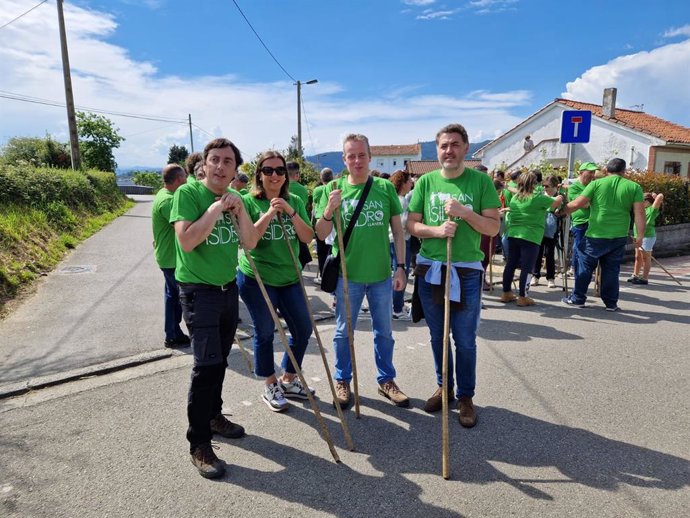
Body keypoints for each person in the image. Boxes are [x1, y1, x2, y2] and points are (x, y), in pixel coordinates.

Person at [170, 137, 259, 479]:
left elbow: (249, 242)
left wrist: (239, 210)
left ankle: (213, 415)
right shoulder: (189, 194)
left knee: (220, 360)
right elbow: (188, 240)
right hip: (198, 293)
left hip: (227, 290)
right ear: (204, 164)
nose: (221, 166)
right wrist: (215, 209)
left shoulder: (235, 199)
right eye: (215, 160)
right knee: (206, 367)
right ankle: (199, 444)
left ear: (236, 169)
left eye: (228, 162)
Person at [407, 123, 501, 427]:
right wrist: (436, 231)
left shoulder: (481, 182)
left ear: (466, 148)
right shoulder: (426, 182)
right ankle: (443, 388)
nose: (449, 150)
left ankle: (465, 396)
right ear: (438, 149)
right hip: (431, 268)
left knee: (465, 339)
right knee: (438, 336)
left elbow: (493, 228)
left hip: (467, 271)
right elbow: (412, 225)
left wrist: (465, 214)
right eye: (444, 145)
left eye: (455, 145)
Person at [315, 134, 409, 408]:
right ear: (344, 159)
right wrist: (330, 210)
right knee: (344, 332)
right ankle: (342, 381)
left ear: (370, 157)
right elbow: (321, 235)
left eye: (361, 155)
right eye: (351, 155)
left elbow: (398, 231)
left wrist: (401, 267)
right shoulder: (332, 188)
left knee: (384, 333)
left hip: (380, 275)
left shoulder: (383, 188)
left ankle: (386, 380)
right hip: (347, 276)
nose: (357, 160)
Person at [237, 151, 315, 412]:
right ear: (259, 174)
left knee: (303, 328)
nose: (274, 175)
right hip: (257, 278)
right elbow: (250, 241)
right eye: (268, 170)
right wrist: (270, 213)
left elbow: (307, 237)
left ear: (286, 174)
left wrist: (291, 211)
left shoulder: (294, 200)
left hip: (289, 276)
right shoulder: (248, 202)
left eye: (279, 170)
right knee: (265, 329)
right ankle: (270, 384)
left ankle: (289, 380)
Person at [563, 158, 645, 311]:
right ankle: (611, 303)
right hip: (618, 235)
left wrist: (560, 211)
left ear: (606, 171)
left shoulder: (596, 184)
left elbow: (577, 204)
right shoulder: (634, 187)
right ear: (624, 171)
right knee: (611, 269)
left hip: (596, 233)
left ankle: (578, 298)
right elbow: (639, 213)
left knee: (585, 266)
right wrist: (640, 235)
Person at [500, 171, 563, 306]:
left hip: (513, 234)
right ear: (534, 184)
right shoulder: (537, 198)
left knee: (510, 264)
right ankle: (523, 296)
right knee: (527, 267)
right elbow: (556, 203)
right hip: (531, 235)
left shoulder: (515, 198)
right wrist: (560, 194)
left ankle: (506, 293)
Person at [151, 164, 190, 348]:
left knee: (171, 296)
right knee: (177, 299)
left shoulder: (163, 194)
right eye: (184, 177)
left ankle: (172, 332)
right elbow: (183, 226)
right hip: (171, 258)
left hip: (166, 256)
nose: (187, 180)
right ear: (177, 180)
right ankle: (173, 334)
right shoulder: (168, 202)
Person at [389, 170, 414, 319]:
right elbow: (403, 223)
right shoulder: (402, 200)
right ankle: (397, 308)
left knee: (393, 273)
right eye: (409, 181)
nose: (411, 183)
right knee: (401, 273)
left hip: (389, 240)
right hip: (401, 240)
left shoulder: (392, 198)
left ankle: (395, 305)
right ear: (403, 183)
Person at [531, 174, 563, 289]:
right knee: (537, 252)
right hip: (539, 226)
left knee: (549, 253)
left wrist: (560, 212)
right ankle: (535, 276)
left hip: (552, 227)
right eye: (543, 186)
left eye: (547, 186)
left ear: (554, 186)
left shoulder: (560, 196)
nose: (545, 188)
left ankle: (551, 278)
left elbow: (565, 210)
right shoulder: (540, 195)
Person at [567, 162, 597, 277]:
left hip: (594, 221)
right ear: (580, 172)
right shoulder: (574, 187)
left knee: (592, 247)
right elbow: (583, 204)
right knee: (579, 246)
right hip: (580, 222)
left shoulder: (594, 185)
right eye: (589, 172)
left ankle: (587, 269)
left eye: (593, 172)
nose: (592, 174)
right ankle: (575, 268)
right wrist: (590, 202)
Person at [629, 192, 664, 285]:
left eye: (643, 200)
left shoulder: (652, 210)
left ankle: (644, 278)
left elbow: (660, 196)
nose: (641, 202)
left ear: (648, 201)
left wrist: (655, 197)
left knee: (645, 257)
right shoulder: (640, 210)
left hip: (648, 236)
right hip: (638, 236)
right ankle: (635, 275)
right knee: (637, 257)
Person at [312, 167, 334, 284]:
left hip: (320, 219)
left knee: (321, 250)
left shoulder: (317, 190)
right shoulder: (335, 187)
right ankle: (330, 274)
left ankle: (322, 275)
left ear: (321, 178)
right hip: (332, 221)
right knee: (330, 249)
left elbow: (315, 203)